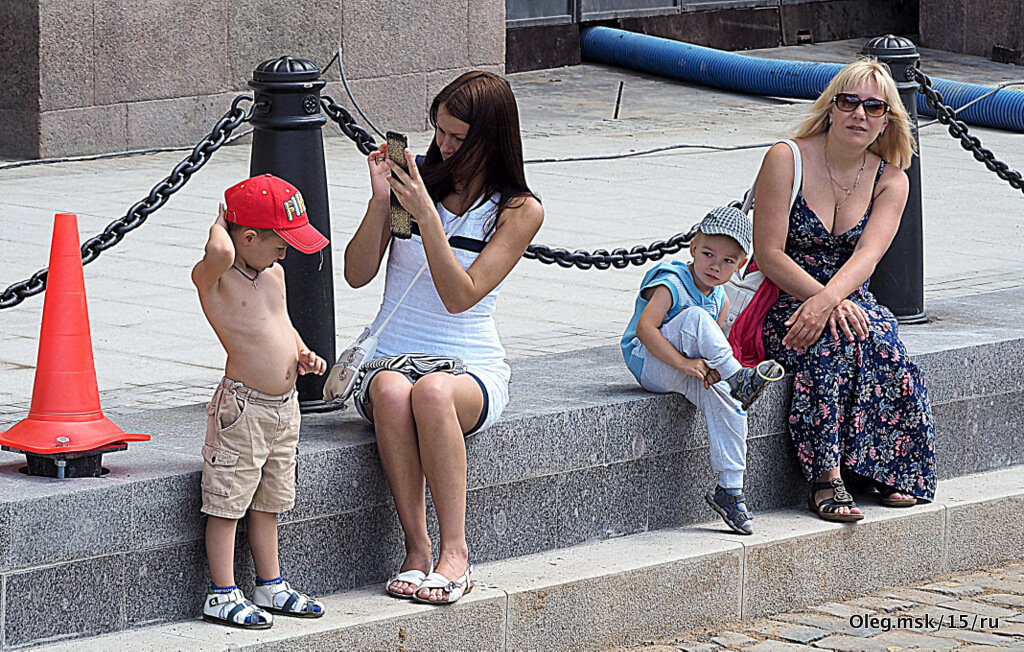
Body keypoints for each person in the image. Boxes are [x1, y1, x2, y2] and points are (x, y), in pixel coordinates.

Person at [342, 71, 544, 605]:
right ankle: (416, 549)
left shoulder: (518, 210)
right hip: (391, 354)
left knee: (431, 391)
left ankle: (455, 552)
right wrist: (381, 201)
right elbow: (356, 273)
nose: (444, 147)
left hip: (469, 363)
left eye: (458, 137)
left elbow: (461, 295)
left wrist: (429, 218)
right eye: (440, 133)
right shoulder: (418, 183)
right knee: (390, 388)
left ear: (490, 138)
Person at [751, 59, 936, 522]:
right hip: (785, 294)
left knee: (885, 343)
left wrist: (831, 301)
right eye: (849, 101)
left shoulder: (891, 179)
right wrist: (821, 303)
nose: (859, 114)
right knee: (829, 342)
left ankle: (886, 467)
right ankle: (826, 476)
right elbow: (769, 253)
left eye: (874, 106)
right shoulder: (785, 157)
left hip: (849, 294)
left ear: (888, 119)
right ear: (831, 108)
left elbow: (867, 257)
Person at [191, 173, 328, 628]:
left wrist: (301, 350)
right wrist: (221, 220)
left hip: (283, 409)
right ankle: (222, 591)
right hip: (243, 409)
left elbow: (281, 323)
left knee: (270, 499)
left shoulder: (274, 274)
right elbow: (220, 250)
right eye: (278, 242)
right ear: (246, 238)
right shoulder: (217, 278)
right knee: (228, 501)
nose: (285, 252)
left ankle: (269, 584)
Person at [621, 206, 785, 535]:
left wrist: (712, 371)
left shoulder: (720, 297)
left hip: (687, 368)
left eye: (727, 261)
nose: (715, 266)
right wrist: (683, 363)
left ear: (740, 266)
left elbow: (711, 343)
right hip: (650, 362)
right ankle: (739, 378)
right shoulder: (672, 282)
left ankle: (730, 490)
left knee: (728, 399)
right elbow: (645, 330)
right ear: (693, 248)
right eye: (708, 253)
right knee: (696, 319)